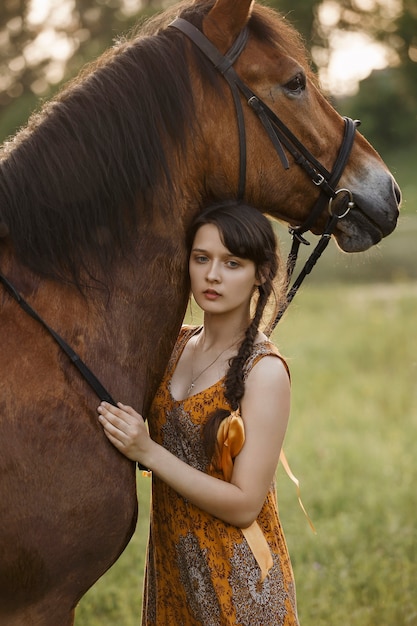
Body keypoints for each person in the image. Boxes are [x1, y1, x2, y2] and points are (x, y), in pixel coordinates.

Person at [98, 201, 299, 625]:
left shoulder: (263, 372)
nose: (212, 275)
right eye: (201, 258)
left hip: (240, 587)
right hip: (174, 574)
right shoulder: (172, 344)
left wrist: (148, 452)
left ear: (261, 273)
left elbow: (245, 504)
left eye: (232, 263)